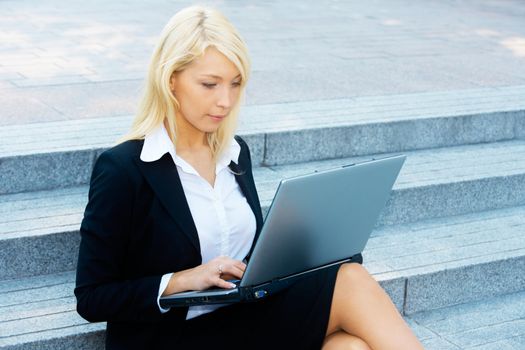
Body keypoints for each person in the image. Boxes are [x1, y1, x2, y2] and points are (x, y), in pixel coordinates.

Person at [75, 5, 424, 350]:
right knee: (349, 283)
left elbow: (250, 255)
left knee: (349, 347)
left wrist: (305, 249)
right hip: (171, 336)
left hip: (243, 317)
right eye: (209, 84)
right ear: (171, 80)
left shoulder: (234, 152)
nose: (225, 101)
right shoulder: (123, 168)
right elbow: (92, 298)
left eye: (236, 83)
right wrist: (183, 280)